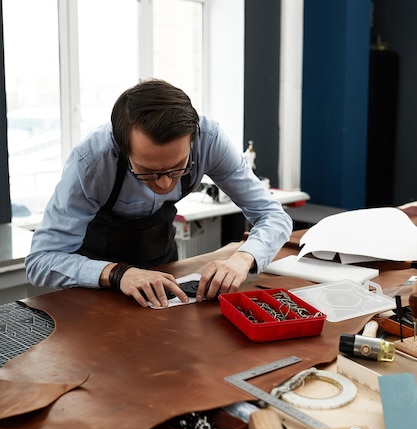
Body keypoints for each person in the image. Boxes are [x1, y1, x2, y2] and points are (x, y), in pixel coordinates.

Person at [25, 79, 292, 308]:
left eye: (178, 168)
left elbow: (273, 215)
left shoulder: (209, 140)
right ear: (123, 148)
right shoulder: (92, 162)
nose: (165, 185)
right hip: (95, 283)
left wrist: (244, 257)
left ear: (193, 139)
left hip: (162, 267)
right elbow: (41, 261)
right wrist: (117, 273)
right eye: (148, 172)